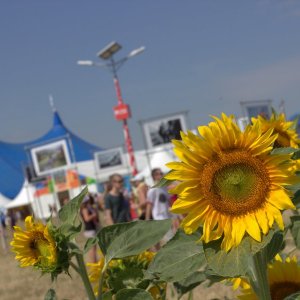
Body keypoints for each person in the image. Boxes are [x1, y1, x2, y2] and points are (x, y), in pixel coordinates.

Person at [80, 193, 100, 263]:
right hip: (90, 230)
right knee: (92, 249)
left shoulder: (87, 208)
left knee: (92, 248)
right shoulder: (84, 209)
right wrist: (94, 215)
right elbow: (87, 219)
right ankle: (93, 262)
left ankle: (94, 262)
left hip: (90, 230)